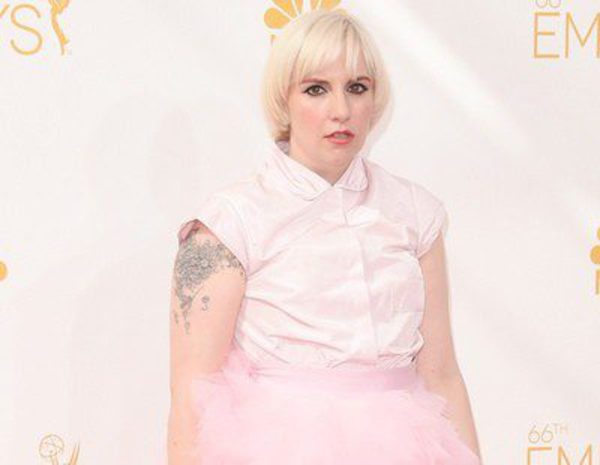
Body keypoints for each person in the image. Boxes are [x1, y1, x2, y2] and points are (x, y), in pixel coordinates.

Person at [167, 9, 483, 465]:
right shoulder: (230, 222)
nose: (341, 110)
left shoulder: (415, 213)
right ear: (284, 98)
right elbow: (192, 391)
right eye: (316, 89)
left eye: (357, 87)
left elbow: (442, 375)